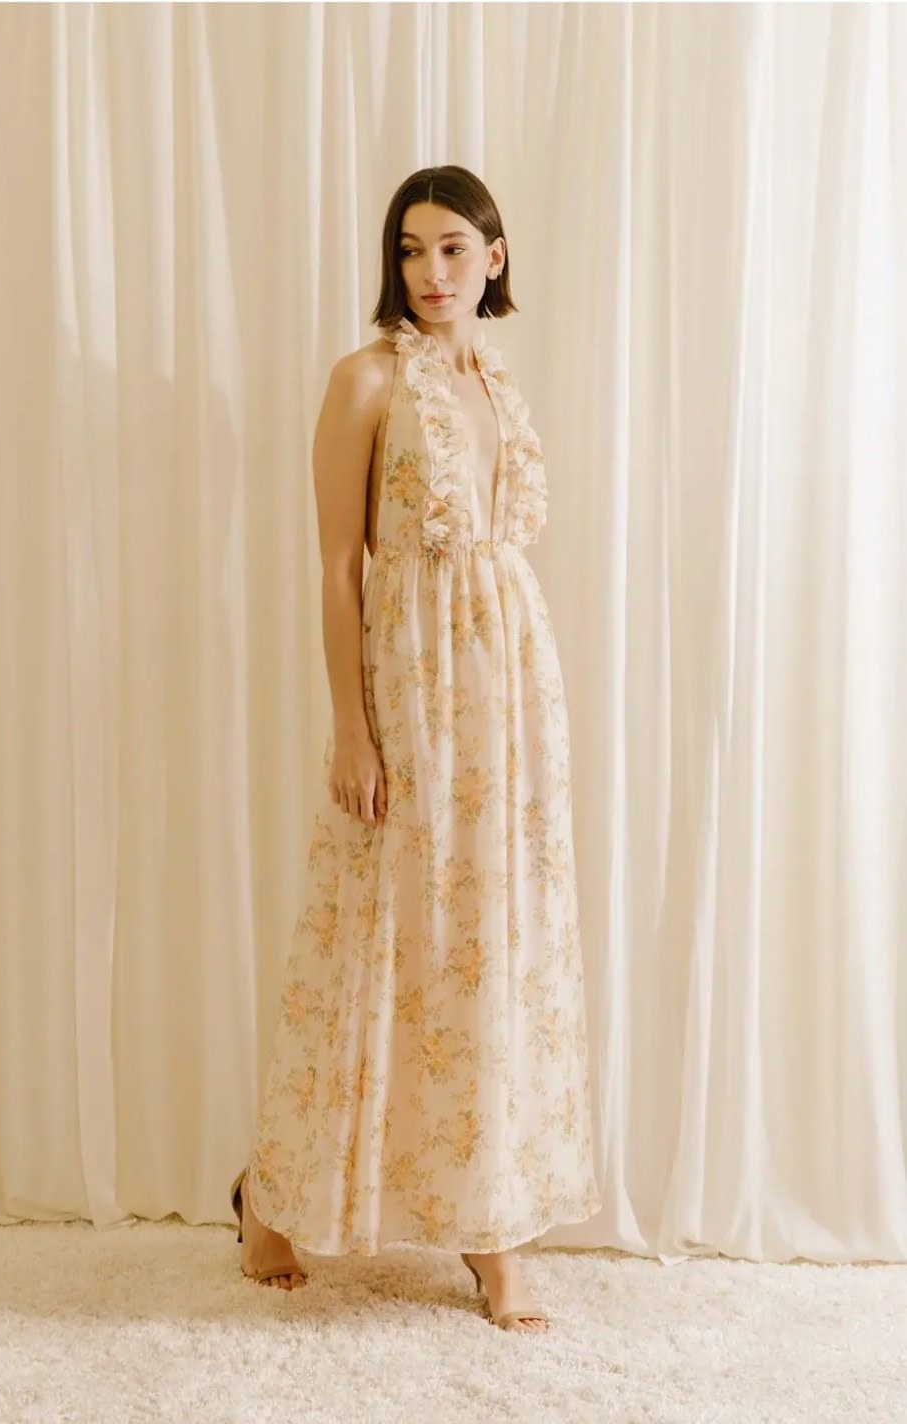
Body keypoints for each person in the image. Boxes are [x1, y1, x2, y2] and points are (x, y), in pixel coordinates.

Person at [230, 165, 602, 1334]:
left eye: (451, 248)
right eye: (409, 249)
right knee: (375, 933)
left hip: (510, 691)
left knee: (495, 947)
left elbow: (500, 547)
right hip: (410, 686)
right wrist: (353, 724)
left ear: (495, 255)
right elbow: (338, 566)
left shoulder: (497, 380)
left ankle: (493, 1229)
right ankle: (271, 1197)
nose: (430, 271)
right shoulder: (367, 381)